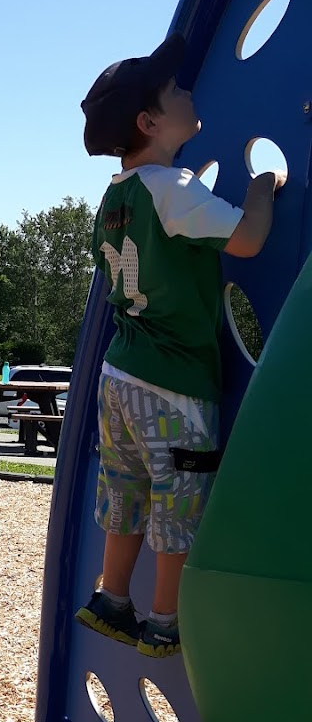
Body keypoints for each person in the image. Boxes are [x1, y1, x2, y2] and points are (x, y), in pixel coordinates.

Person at [75, 33, 284, 657]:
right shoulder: (172, 187)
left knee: (125, 487)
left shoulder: (116, 196)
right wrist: (263, 186)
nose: (188, 91)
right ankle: (165, 619)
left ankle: (112, 597)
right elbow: (247, 239)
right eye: (175, 90)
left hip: (119, 375)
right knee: (179, 498)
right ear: (150, 122)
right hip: (173, 385)